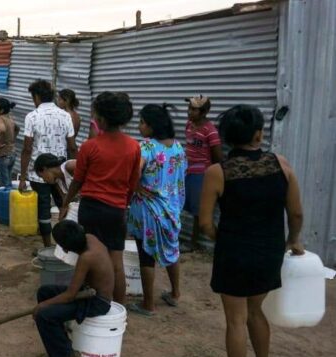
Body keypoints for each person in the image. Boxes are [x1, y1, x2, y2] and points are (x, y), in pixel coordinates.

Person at [199, 105, 304, 357]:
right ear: (258, 135)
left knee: (236, 320)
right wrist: (293, 240)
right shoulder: (281, 164)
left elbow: (205, 223)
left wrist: (222, 239)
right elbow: (295, 212)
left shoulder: (217, 172)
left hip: (234, 253)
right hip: (269, 251)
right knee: (256, 311)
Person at [61, 91, 141, 305]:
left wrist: (66, 202)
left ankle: (89, 303)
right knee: (116, 261)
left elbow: (77, 181)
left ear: (101, 119)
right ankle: (119, 309)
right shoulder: (134, 146)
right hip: (116, 210)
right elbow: (133, 183)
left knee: (88, 257)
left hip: (91, 209)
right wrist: (124, 204)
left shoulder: (90, 147)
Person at [125, 104, 187, 316]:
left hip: (149, 209)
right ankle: (175, 294)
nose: (139, 126)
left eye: (142, 122)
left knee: (146, 255)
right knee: (173, 250)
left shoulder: (146, 147)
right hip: (172, 208)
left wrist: (136, 187)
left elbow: (133, 172)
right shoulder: (179, 148)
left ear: (152, 127)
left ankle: (148, 304)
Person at [33, 220, 114, 357]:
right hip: (88, 291)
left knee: (44, 315)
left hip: (97, 301)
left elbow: (70, 295)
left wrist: (42, 306)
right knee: (44, 292)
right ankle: (62, 341)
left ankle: (69, 356)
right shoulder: (90, 238)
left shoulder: (86, 257)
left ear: (65, 248)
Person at [20, 79, 77, 248]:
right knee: (64, 205)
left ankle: (47, 248)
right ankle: (66, 245)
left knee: (43, 210)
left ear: (36, 96)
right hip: (60, 172)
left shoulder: (32, 116)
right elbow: (72, 147)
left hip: (39, 174)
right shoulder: (65, 115)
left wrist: (22, 177)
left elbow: (27, 149)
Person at [184, 95, 223, 252]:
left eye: (194, 109)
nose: (190, 112)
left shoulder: (210, 131)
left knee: (200, 212)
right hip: (189, 171)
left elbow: (218, 157)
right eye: (189, 108)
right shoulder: (189, 125)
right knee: (194, 210)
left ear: (204, 112)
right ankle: (193, 242)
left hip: (202, 174)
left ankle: (195, 243)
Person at [0, 98, 18, 188]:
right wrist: (13, 138)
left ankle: (6, 201)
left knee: (3, 184)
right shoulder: (10, 118)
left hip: (3, 155)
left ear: (1, 110)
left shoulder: (0, 119)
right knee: (8, 179)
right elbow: (17, 128)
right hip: (12, 153)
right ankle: (10, 199)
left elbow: (1, 129)